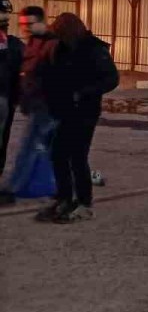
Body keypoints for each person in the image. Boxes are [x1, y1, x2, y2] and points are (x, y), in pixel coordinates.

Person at [39, 12, 119, 223]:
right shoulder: (62, 48)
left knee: (77, 157)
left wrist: (84, 92)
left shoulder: (94, 49)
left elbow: (112, 78)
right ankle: (65, 199)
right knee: (58, 155)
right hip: (64, 111)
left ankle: (84, 203)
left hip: (85, 112)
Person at [0, 7, 59, 207]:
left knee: (29, 149)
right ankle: (62, 189)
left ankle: (11, 190)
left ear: (43, 21)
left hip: (48, 106)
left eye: (30, 23)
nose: (26, 28)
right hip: (37, 105)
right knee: (50, 151)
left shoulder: (53, 45)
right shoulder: (34, 42)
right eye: (23, 24)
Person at [0, 0, 25, 204]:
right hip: (4, 98)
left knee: (3, 141)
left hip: (7, 99)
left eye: (6, 14)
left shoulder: (14, 44)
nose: (5, 18)